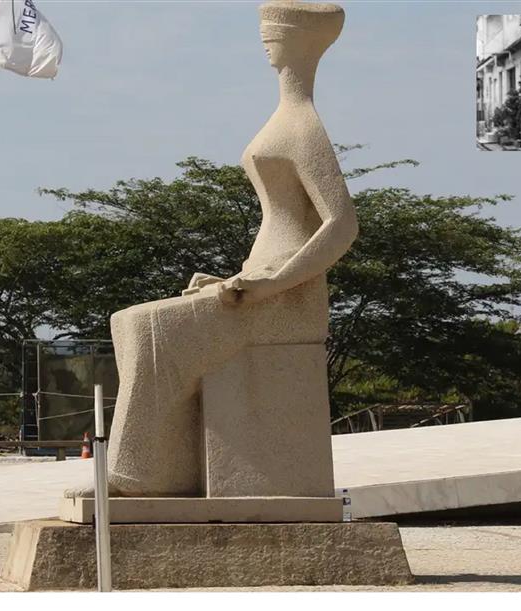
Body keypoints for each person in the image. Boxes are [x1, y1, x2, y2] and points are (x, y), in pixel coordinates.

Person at [102, 2, 358, 497]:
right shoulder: (285, 118)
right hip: (255, 282)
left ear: (302, 40)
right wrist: (233, 279)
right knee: (126, 321)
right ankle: (166, 469)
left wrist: (272, 283)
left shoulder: (305, 126)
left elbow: (342, 224)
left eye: (274, 33)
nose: (265, 41)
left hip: (287, 298)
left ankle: (137, 475)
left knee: (151, 329)